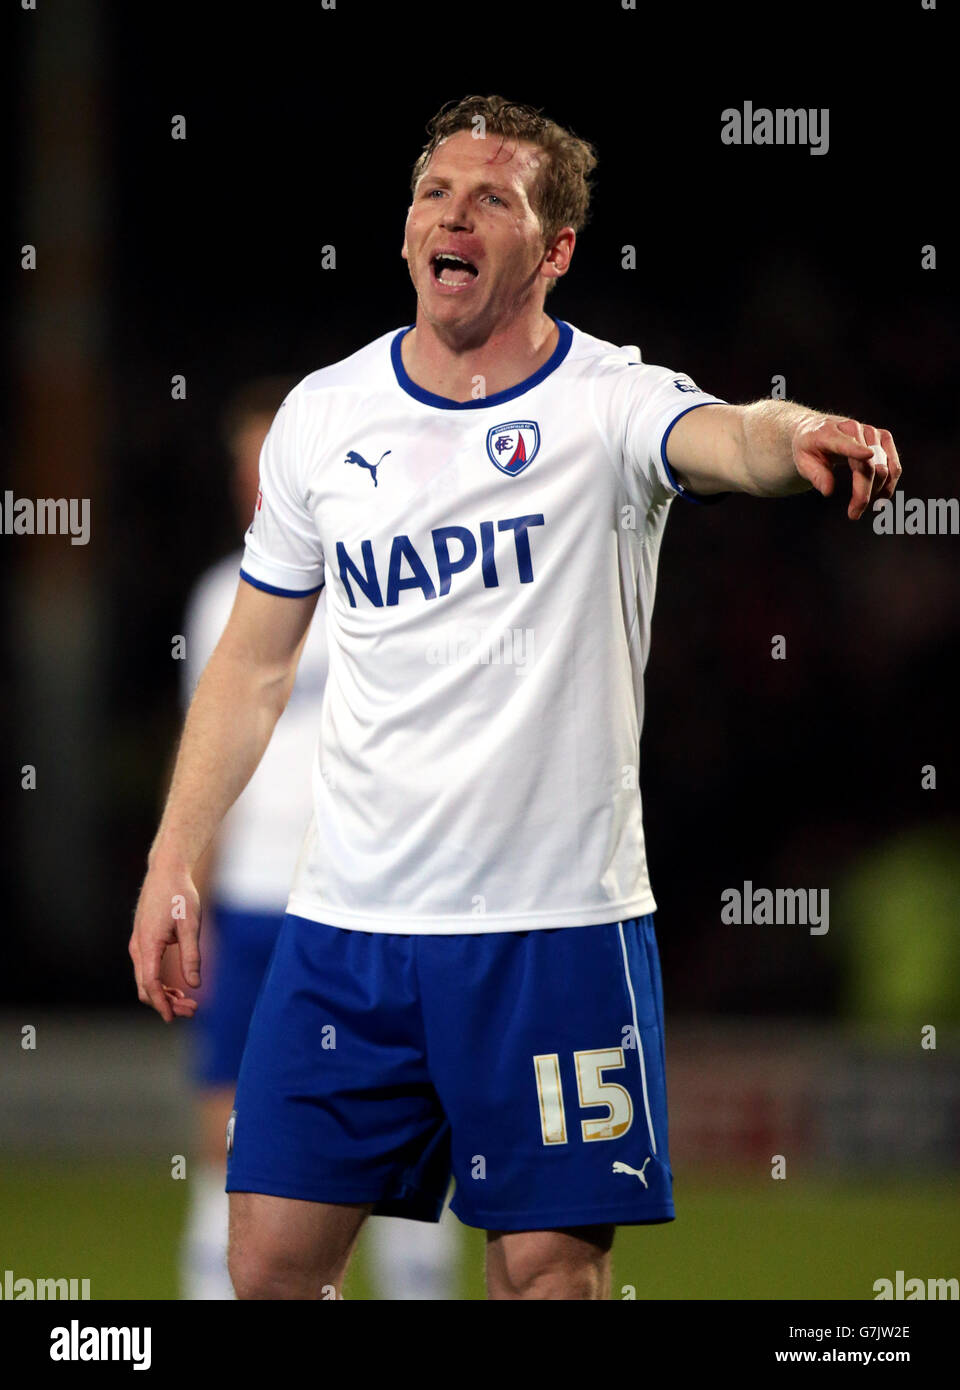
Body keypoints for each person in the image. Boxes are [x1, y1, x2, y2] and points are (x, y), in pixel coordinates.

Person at [130, 94, 902, 1300]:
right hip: (351, 931)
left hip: (554, 932)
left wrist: (797, 429)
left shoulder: (609, 402)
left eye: (495, 198)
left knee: (546, 1278)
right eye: (436, 192)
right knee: (268, 1266)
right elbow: (255, 663)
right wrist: (173, 855)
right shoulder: (324, 421)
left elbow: (730, 436)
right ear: (404, 233)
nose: (456, 213)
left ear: (555, 251)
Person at [171, 379, 459, 1300]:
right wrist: (190, 897)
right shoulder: (223, 599)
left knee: (407, 1134)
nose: (259, 486)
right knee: (228, 1137)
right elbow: (204, 770)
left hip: (375, 899)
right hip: (254, 905)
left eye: (271, 464)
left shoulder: (393, 579)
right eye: (243, 468)